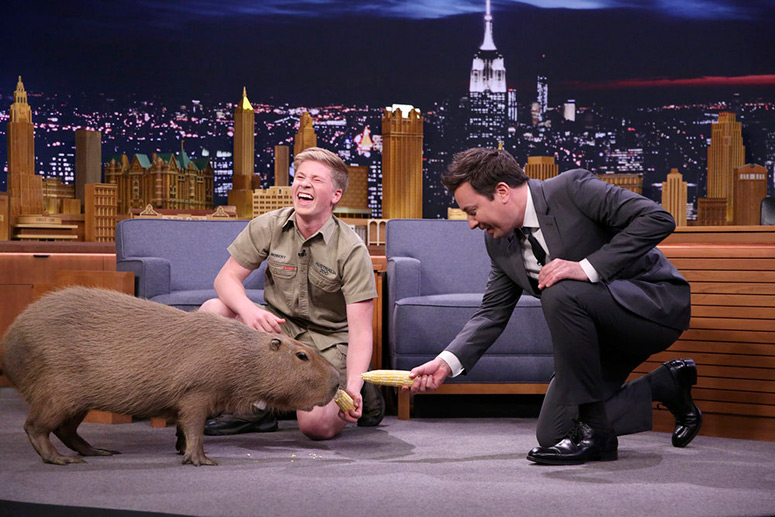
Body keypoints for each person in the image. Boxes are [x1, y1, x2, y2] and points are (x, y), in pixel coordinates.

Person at [408, 147, 701, 465]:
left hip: (650, 307)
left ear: (502, 192)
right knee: (554, 435)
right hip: (593, 341)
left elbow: (657, 218)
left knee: (560, 290)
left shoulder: (571, 189)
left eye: (473, 210)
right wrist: (446, 362)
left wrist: (587, 267)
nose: (470, 223)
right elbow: (492, 312)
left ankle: (596, 434)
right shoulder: (498, 243)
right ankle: (665, 386)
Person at [200, 146, 384, 440]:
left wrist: (353, 385)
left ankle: (365, 387)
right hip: (279, 331)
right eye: (300, 177)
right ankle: (255, 408)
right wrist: (249, 310)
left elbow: (361, 332)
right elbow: (226, 278)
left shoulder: (351, 249)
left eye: (316, 180)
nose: (305, 184)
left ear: (335, 196)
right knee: (213, 311)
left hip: (328, 342)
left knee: (317, 428)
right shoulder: (270, 225)